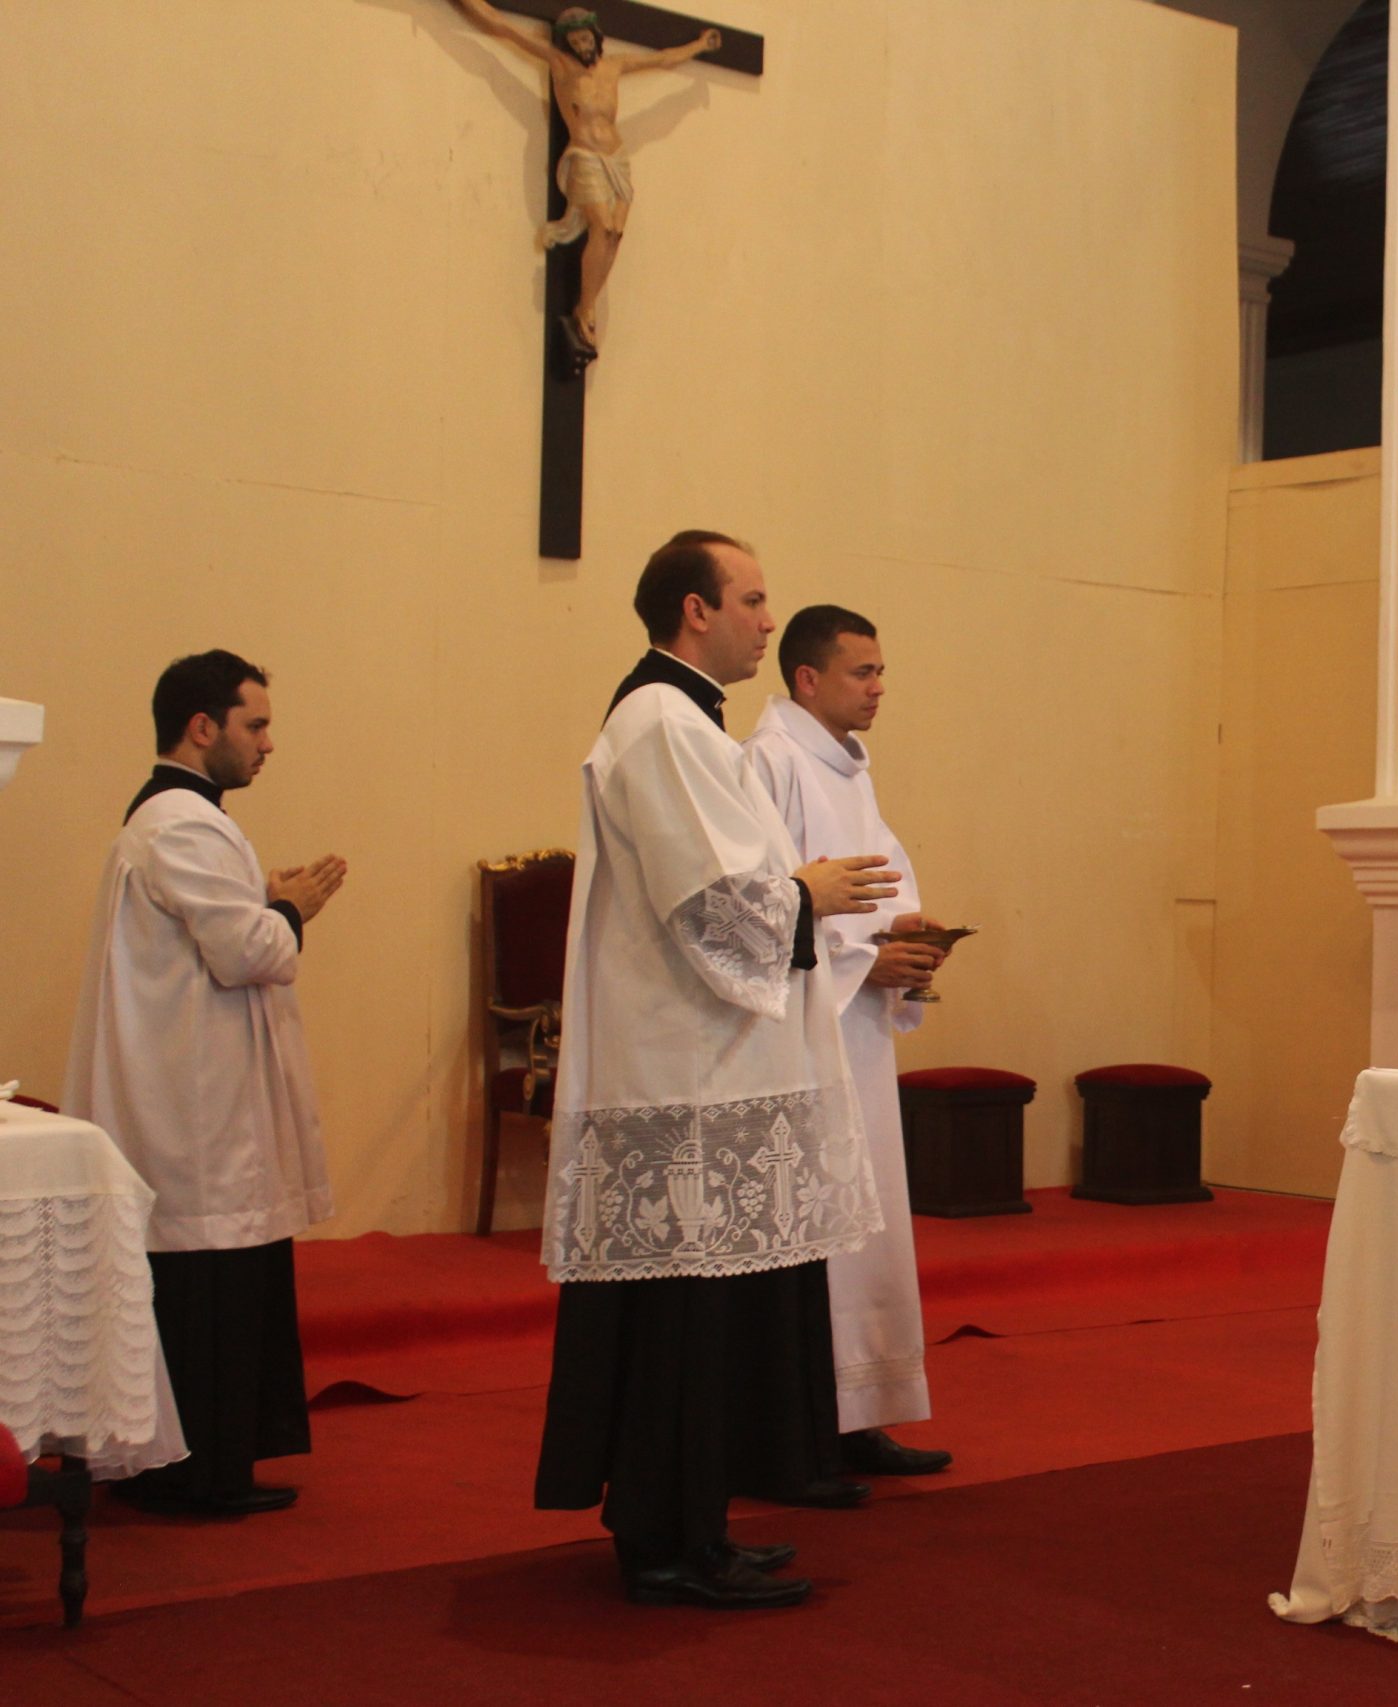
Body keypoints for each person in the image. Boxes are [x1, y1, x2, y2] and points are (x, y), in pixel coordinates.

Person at [533, 530, 899, 1609]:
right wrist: (806, 894)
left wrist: (796, 890)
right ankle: (666, 1544)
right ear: (695, 610)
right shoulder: (660, 721)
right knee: (677, 1330)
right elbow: (711, 904)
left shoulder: (687, 722)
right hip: (683, 1077)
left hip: (704, 1070)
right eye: (751, 599)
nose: (766, 621)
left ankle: (693, 1524)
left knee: (700, 1324)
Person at [63, 650, 348, 1515]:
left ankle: (210, 1463)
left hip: (198, 1086)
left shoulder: (179, 817)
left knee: (218, 1277)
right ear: (201, 727)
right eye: (254, 724)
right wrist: (290, 908)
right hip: (195, 1104)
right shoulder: (183, 823)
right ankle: (194, 1473)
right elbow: (245, 950)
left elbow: (221, 924)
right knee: (207, 1284)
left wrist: (264, 894)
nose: (267, 743)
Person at [744, 606, 955, 1481]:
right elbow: (760, 908)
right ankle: (798, 1427)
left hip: (855, 1035)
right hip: (800, 1039)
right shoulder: (768, 763)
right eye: (861, 672)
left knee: (866, 1228)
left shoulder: (849, 767)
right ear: (807, 679)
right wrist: (865, 963)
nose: (878, 688)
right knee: (816, 1230)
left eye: (880, 671)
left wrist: (909, 937)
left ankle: (857, 1411)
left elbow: (877, 886)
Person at [442, 2, 725, 358]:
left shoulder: (615, 66)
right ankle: (585, 307)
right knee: (601, 226)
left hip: (617, 160)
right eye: (574, 41)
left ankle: (586, 304)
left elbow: (662, 58)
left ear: (595, 37)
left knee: (615, 233)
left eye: (585, 39)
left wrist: (699, 45)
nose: (581, 46)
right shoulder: (561, 65)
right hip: (586, 157)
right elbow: (502, 26)